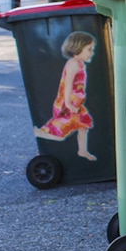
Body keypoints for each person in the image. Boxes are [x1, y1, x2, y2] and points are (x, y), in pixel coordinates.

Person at [33, 31, 97, 161]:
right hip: (67, 104)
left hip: (76, 104)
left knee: (83, 127)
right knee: (60, 135)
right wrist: (68, 104)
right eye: (89, 49)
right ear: (78, 47)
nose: (92, 52)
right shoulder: (73, 64)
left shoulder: (79, 63)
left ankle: (82, 151)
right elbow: (67, 84)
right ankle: (39, 132)